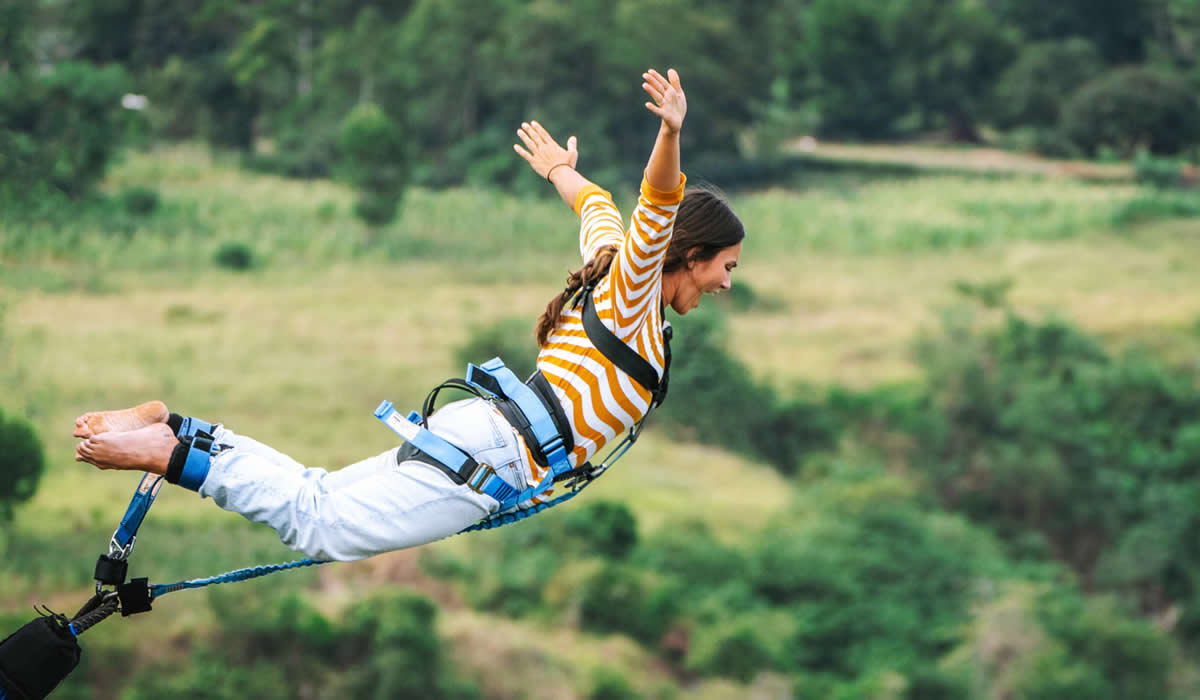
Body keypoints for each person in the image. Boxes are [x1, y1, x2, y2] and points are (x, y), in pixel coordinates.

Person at [72, 68, 744, 562]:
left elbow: (596, 206)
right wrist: (670, 132)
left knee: (317, 493)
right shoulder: (634, 292)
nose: (726, 283)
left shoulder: (615, 267)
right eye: (725, 267)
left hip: (482, 432)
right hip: (498, 456)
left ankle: (178, 429)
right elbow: (654, 201)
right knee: (323, 526)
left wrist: (558, 172)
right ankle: (167, 453)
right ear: (691, 254)